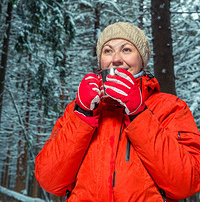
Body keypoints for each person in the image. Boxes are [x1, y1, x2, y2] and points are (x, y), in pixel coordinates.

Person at [35, 21, 200, 202]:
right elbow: (50, 181)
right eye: (108, 51)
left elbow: (186, 184)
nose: (116, 59)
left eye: (126, 49)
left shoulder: (171, 107)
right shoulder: (76, 108)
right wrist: (82, 114)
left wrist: (139, 114)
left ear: (142, 59)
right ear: (101, 60)